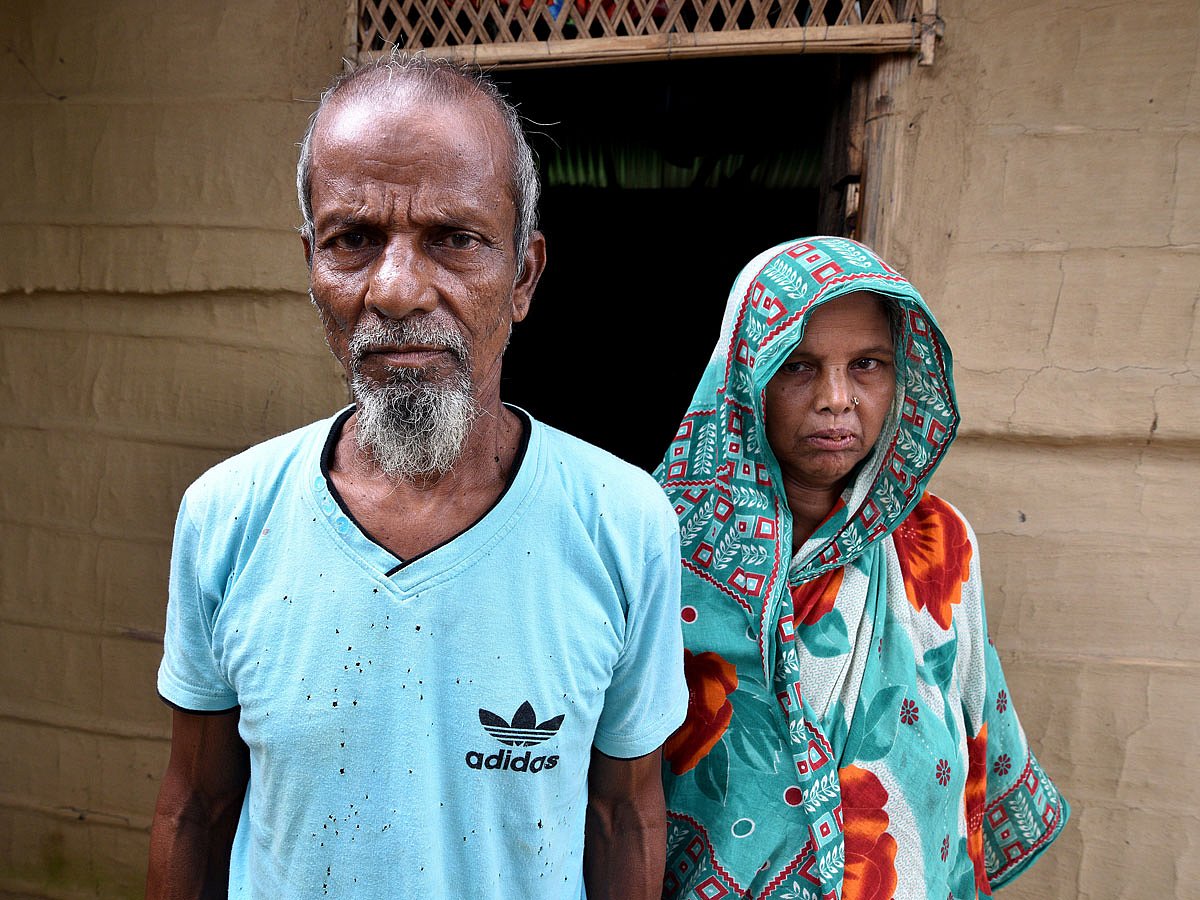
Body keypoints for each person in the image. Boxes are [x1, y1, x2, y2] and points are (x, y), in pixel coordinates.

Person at [146, 54, 687, 900]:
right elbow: (198, 807)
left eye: (454, 239)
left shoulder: (622, 523)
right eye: (353, 240)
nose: (395, 290)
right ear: (312, 267)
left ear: (524, 276)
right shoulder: (226, 517)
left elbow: (624, 816)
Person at [656, 237, 1069, 899]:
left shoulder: (938, 542)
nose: (837, 398)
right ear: (746, 373)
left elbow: (969, 715)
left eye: (868, 365)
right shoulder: (657, 541)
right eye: (798, 366)